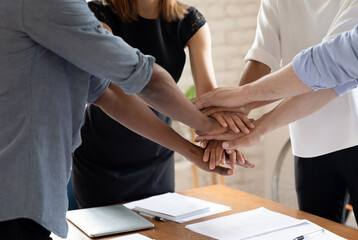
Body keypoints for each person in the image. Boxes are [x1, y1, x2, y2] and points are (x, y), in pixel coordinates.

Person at [0, 0, 245, 239]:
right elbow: (141, 82)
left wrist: (195, 149)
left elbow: (105, 92)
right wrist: (210, 127)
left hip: (32, 195)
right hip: (27, 188)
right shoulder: (57, 6)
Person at [196, 1, 358, 239]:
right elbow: (262, 58)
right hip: (309, 143)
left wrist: (246, 111)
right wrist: (231, 121)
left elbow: (332, 65)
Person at [72, 0, 253, 209]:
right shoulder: (98, 14)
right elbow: (115, 91)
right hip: (100, 161)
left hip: (158, 157)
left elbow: (208, 99)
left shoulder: (191, 22)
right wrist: (207, 135)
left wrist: (220, 140)